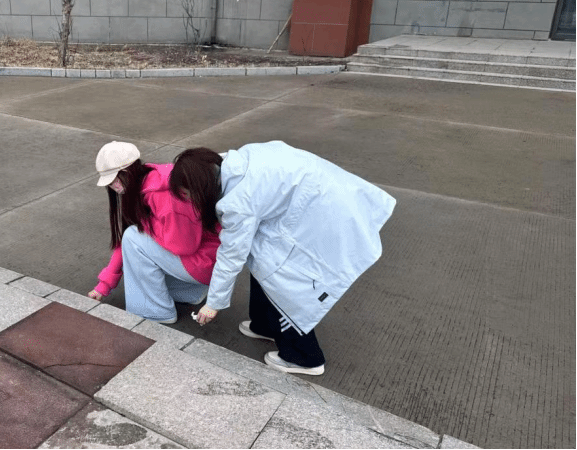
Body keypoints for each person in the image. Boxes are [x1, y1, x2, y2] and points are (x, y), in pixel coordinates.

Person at [169, 141, 396, 375]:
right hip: (322, 193)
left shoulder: (238, 201)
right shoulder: (232, 163)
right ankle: (266, 325)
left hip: (324, 213)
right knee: (262, 260)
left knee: (285, 280)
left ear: (200, 187)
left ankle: (305, 357)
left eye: (187, 194)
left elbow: (231, 256)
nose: (188, 201)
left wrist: (213, 304)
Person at [88, 141, 221, 324]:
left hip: (205, 264)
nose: (113, 186)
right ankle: (188, 291)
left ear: (127, 172)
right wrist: (104, 285)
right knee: (134, 236)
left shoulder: (163, 194)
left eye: (113, 180)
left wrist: (146, 223)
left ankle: (155, 311)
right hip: (210, 260)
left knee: (134, 237)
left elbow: (183, 246)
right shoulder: (150, 177)